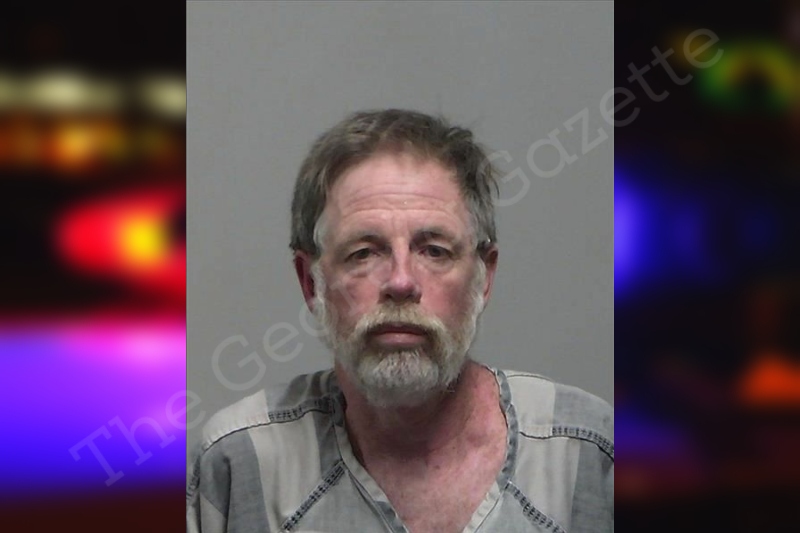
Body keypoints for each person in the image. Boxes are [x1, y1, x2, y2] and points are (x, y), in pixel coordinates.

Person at [186, 109, 613, 533]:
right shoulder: (239, 464)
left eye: (434, 250)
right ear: (311, 282)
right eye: (364, 253)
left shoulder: (587, 453)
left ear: (483, 277)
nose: (401, 282)